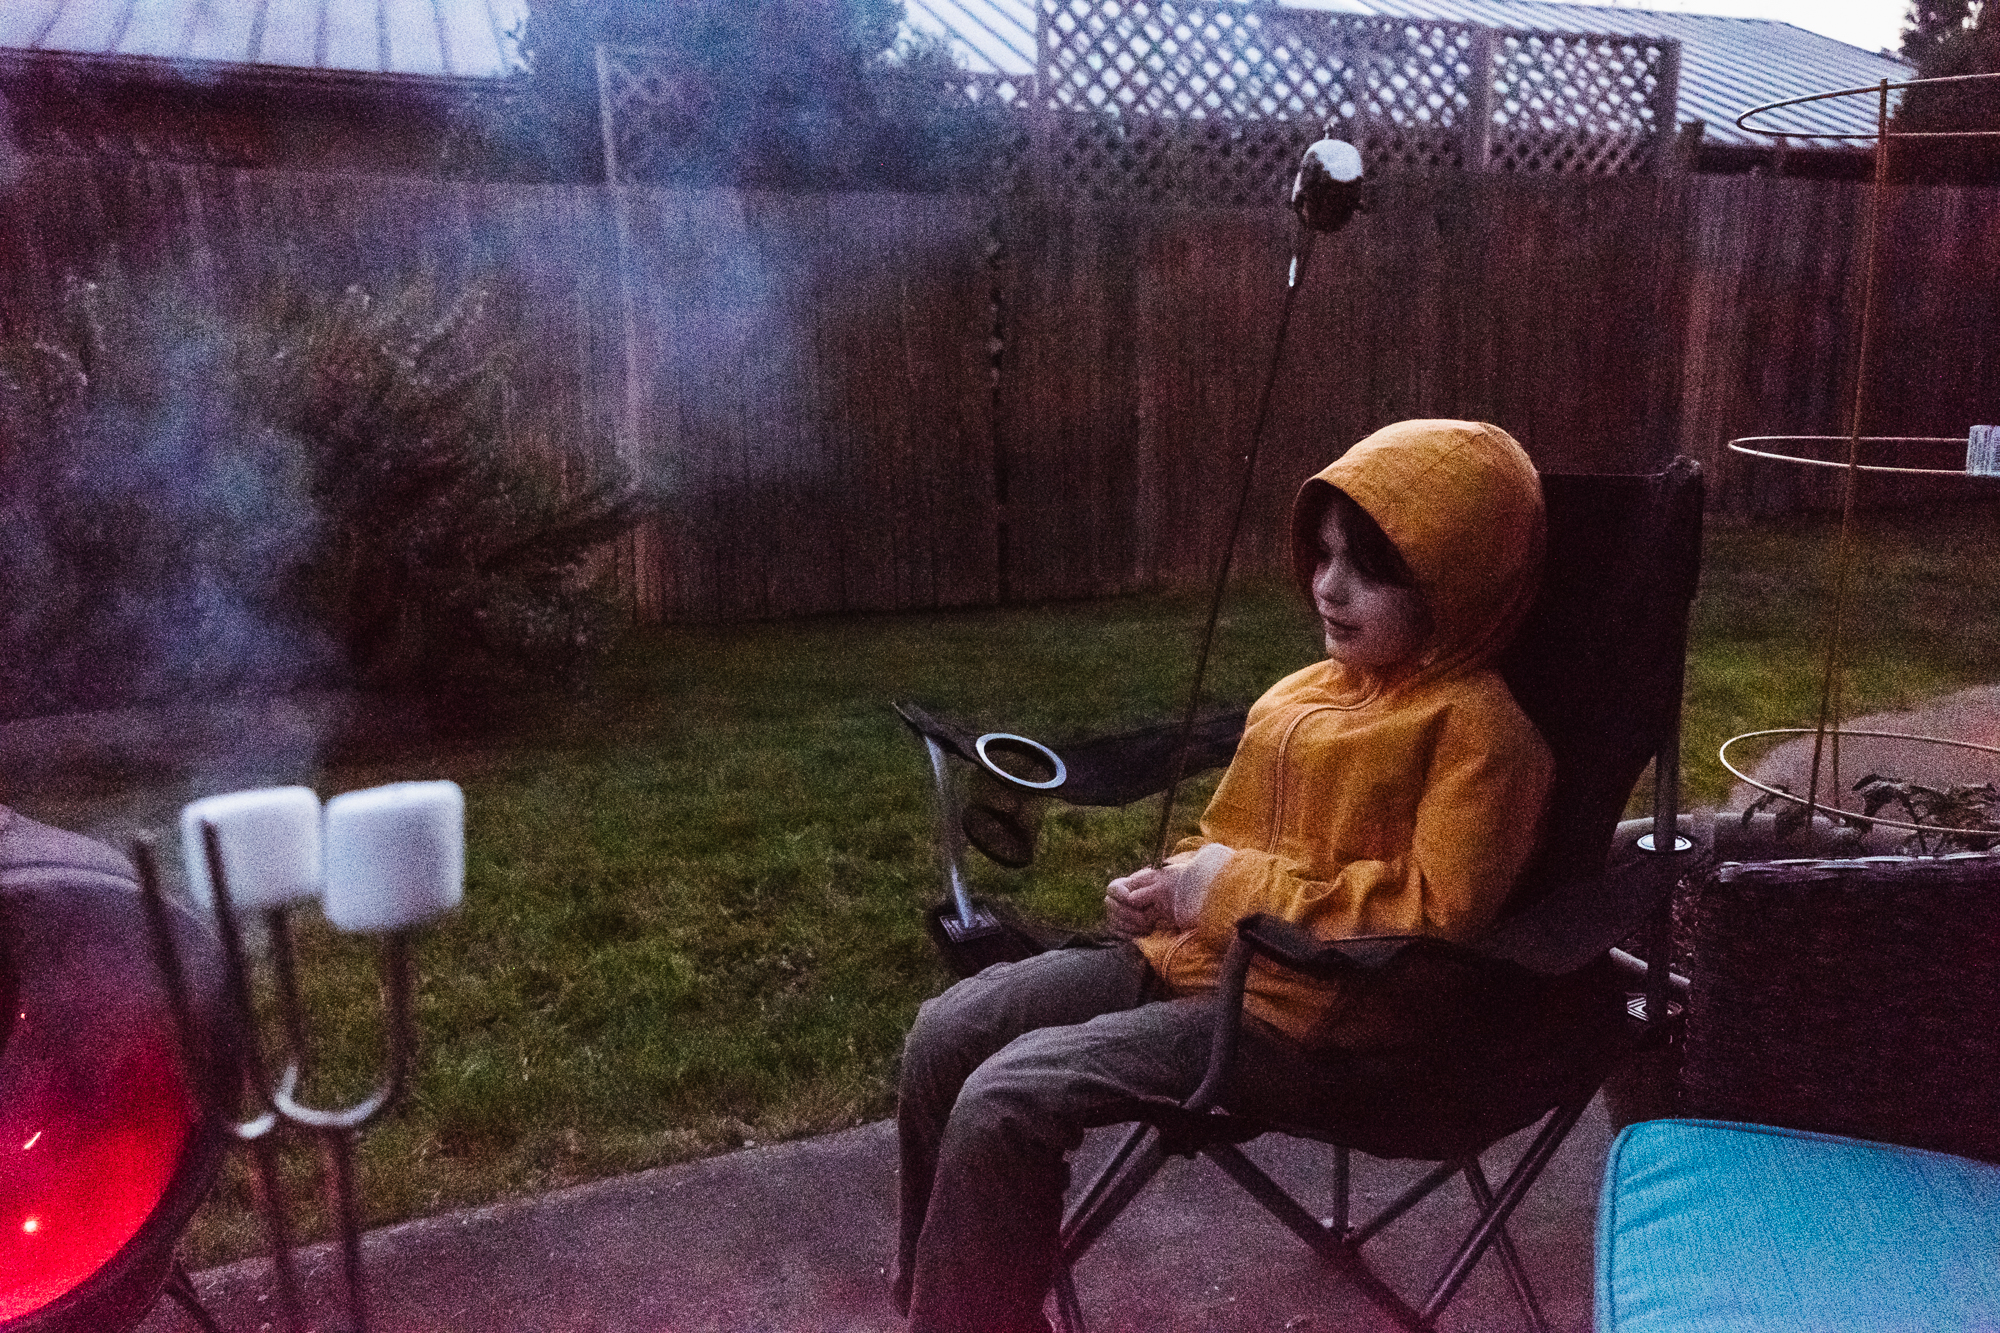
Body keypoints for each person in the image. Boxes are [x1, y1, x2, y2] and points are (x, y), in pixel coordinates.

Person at [892, 419, 1555, 1332]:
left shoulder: (1480, 732)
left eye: (1367, 567)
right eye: (1320, 555)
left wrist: (1219, 889)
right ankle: (949, 1305)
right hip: (1194, 964)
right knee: (946, 1030)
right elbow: (1232, 840)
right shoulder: (1301, 692)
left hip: (1320, 1025)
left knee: (1007, 1097)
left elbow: (1429, 917)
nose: (1327, 586)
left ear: (1455, 585)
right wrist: (1168, 885)